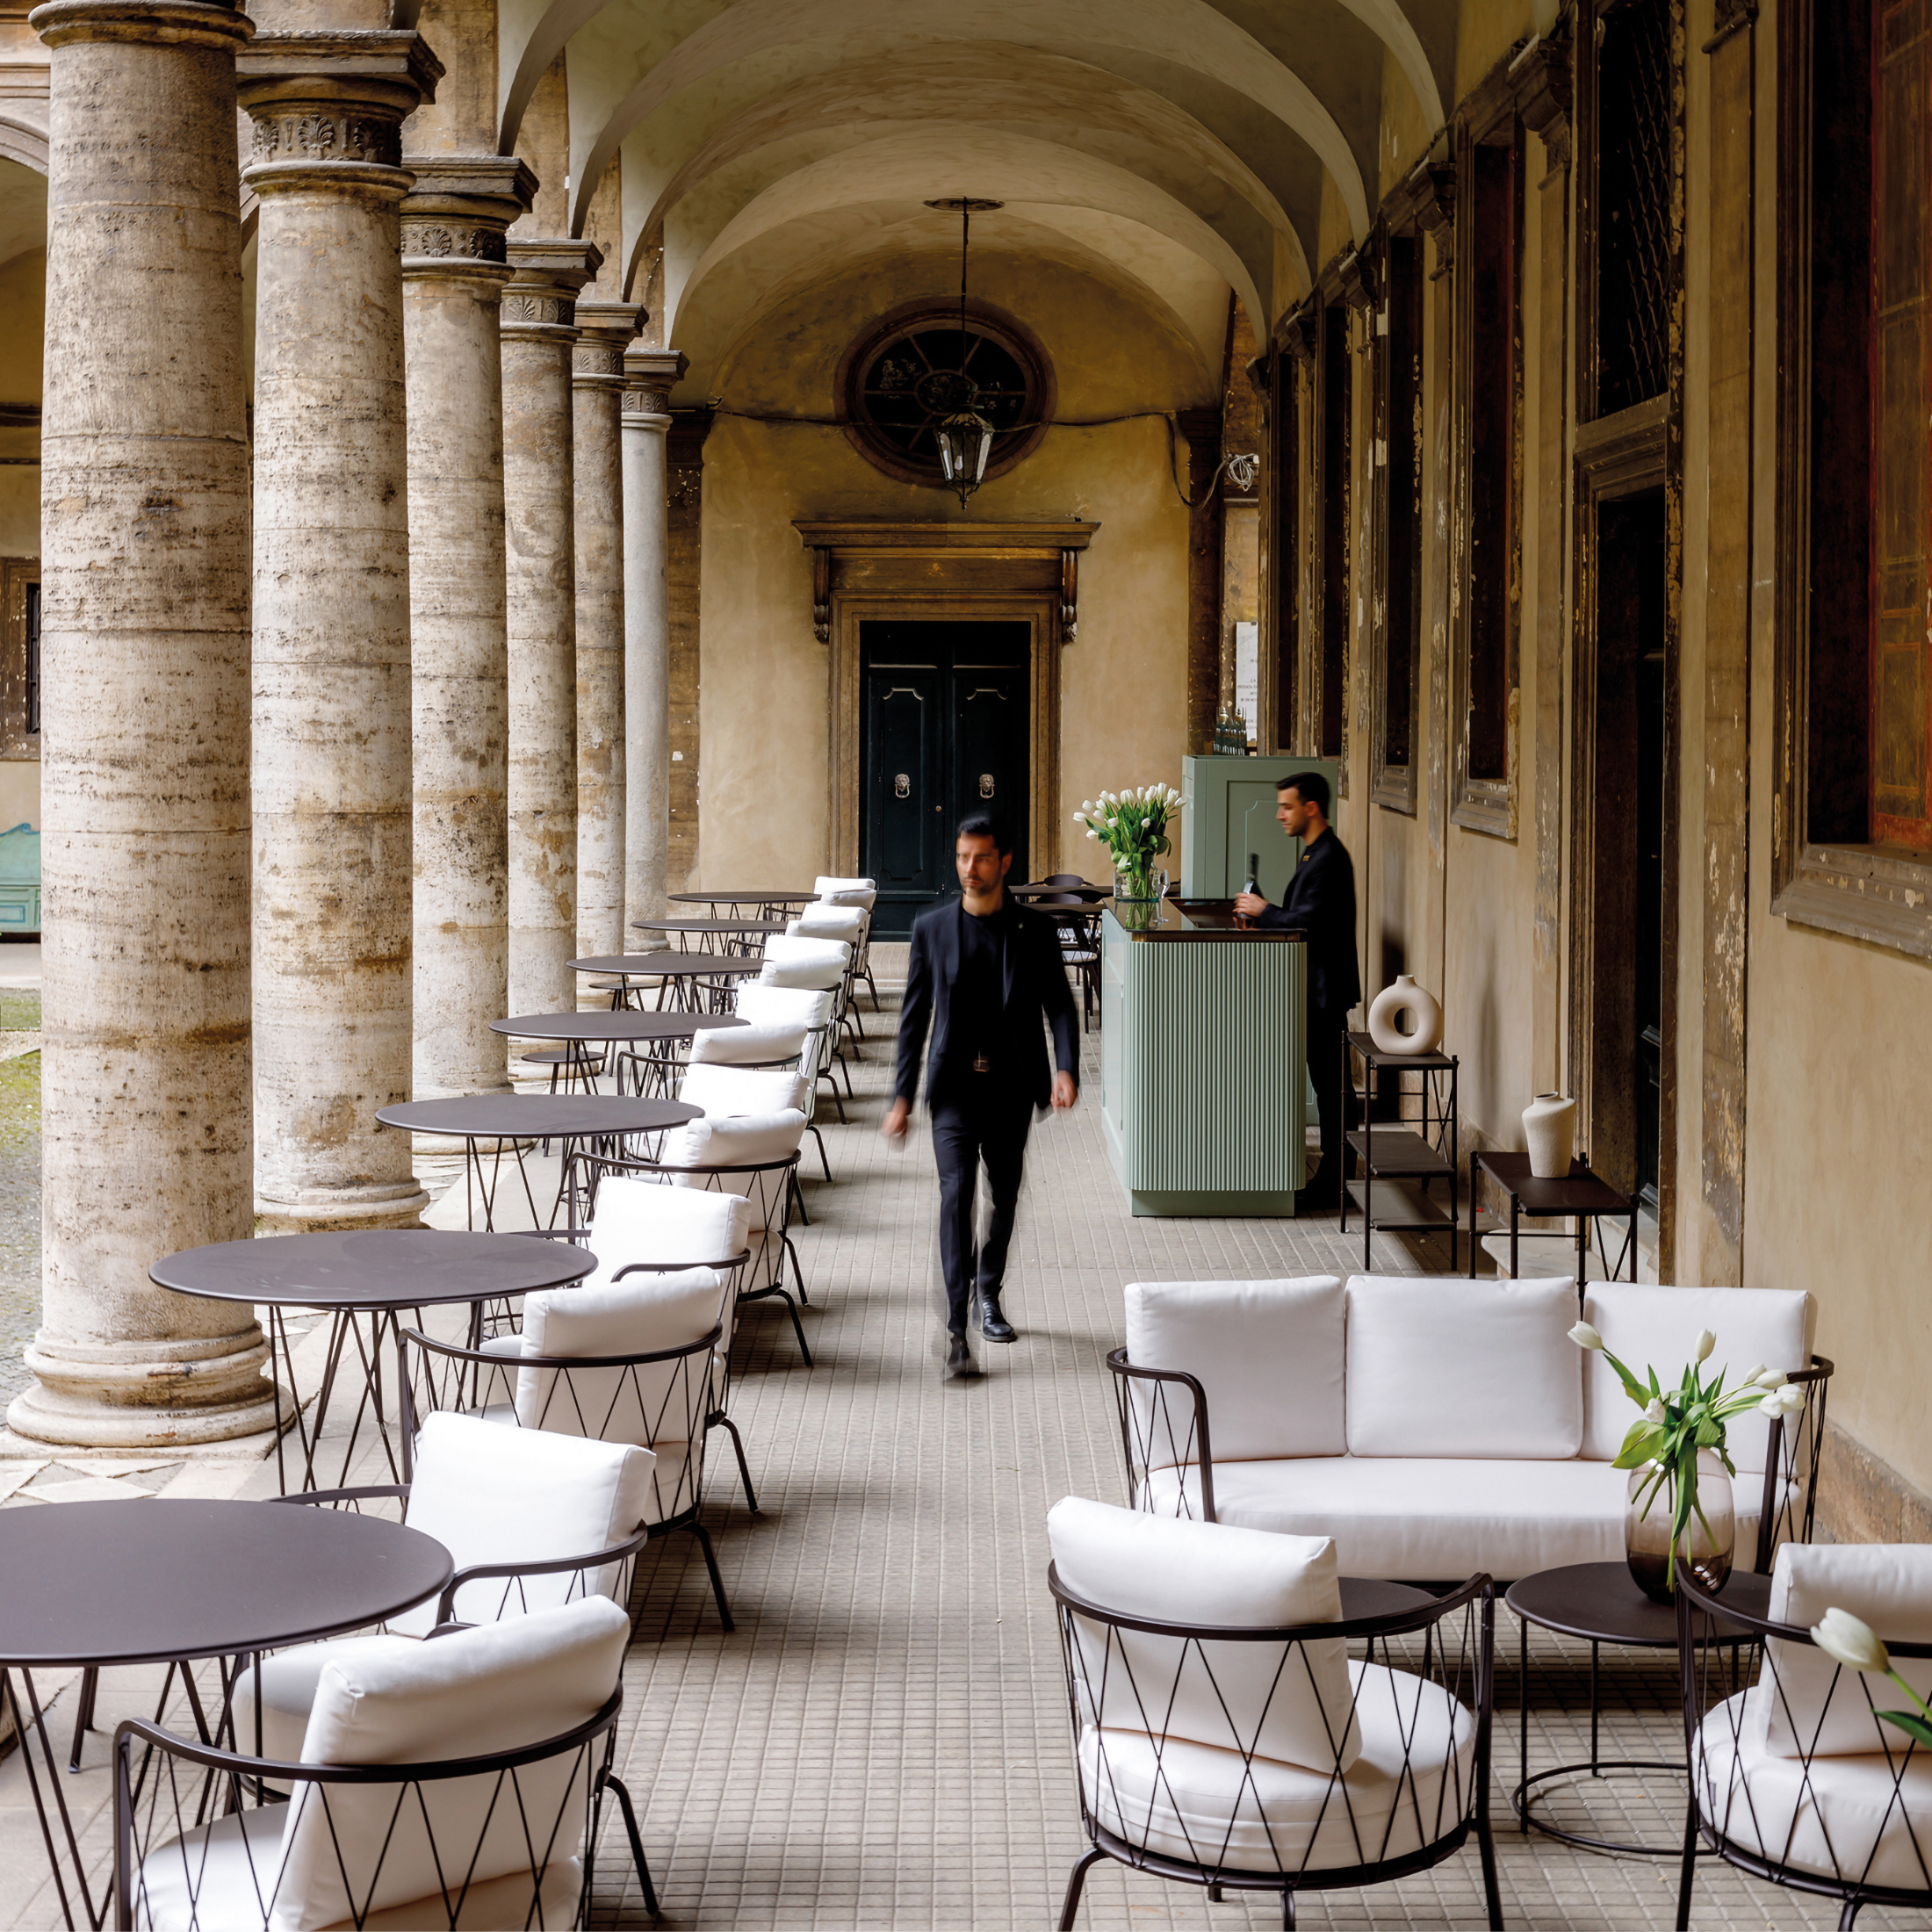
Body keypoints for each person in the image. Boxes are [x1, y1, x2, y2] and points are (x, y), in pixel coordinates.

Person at [883, 813, 1079, 1381]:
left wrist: (1064, 1068)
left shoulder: (1034, 931)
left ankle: (987, 1292)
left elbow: (1060, 1006)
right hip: (952, 1090)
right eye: (963, 857)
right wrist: (900, 1096)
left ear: (1005, 861)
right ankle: (955, 1329)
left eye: (982, 858)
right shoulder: (932, 928)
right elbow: (913, 1020)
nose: (970, 869)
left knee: (1006, 1195)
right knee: (956, 1196)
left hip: (1012, 1087)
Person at [1233, 770, 1359, 1212]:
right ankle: (1335, 1173)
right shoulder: (1314, 855)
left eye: (1287, 806)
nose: (1279, 814)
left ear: (1311, 808)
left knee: (1332, 1087)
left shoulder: (1329, 858)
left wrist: (1265, 910)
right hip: (1315, 987)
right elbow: (1304, 914)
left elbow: (1311, 925)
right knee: (1328, 1085)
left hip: (1324, 991)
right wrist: (1265, 912)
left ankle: (1338, 1176)